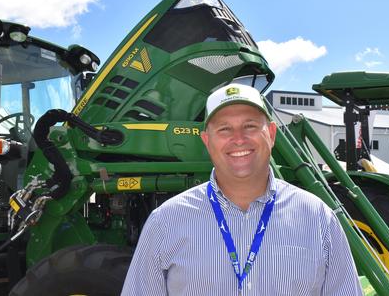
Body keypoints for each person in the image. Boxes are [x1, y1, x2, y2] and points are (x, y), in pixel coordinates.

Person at [122, 83, 363, 295]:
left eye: (249, 126)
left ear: (270, 133)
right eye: (224, 129)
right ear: (207, 141)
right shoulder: (166, 221)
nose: (238, 139)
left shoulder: (317, 217)